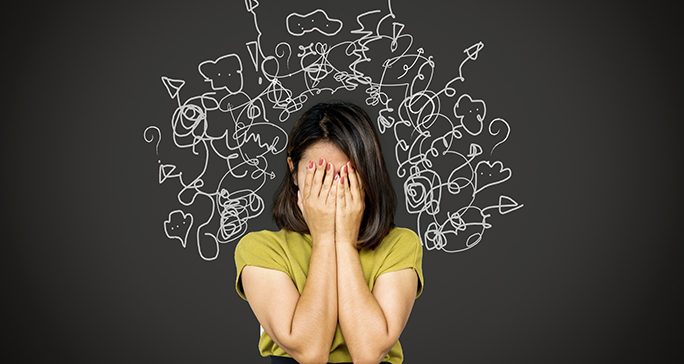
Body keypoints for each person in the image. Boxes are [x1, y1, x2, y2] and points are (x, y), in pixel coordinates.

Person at [234, 102, 424, 364]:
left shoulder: (400, 244)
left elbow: (369, 353)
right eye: (320, 176)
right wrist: (324, 238)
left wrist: (344, 241)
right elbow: (309, 352)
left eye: (346, 177)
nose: (333, 191)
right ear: (294, 171)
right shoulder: (260, 248)